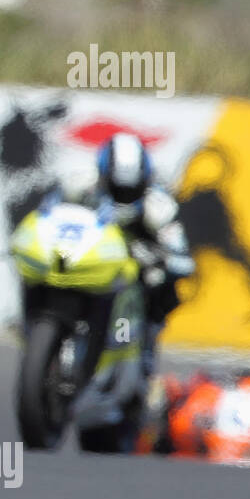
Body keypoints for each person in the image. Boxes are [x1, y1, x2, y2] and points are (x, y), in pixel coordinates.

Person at [95, 133, 194, 378]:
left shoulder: (158, 206)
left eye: (129, 191)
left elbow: (182, 259)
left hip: (135, 281)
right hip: (91, 271)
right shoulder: (85, 192)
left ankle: (144, 356)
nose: (123, 197)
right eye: (117, 190)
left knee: (163, 292)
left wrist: (159, 260)